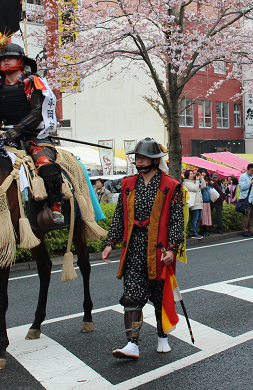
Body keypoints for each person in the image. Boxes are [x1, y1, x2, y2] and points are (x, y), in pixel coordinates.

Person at [102, 138, 184, 359]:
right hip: (134, 249)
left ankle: (162, 337)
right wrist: (111, 242)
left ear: (156, 160)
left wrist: (172, 248)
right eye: (137, 156)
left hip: (158, 250)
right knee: (132, 296)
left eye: (144, 156)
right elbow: (120, 217)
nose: (138, 160)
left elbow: (177, 220)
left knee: (159, 297)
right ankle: (132, 344)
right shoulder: (128, 184)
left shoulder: (171, 186)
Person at [0, 42, 64, 226]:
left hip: (36, 136)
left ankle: (56, 205)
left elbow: (37, 111)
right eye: (2, 59)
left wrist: (17, 129)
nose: (6, 61)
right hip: (6, 139)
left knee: (44, 163)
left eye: (9, 57)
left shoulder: (33, 83)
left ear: (20, 60)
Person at [238, 164, 253, 236]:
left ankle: (250, 229)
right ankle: (245, 230)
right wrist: (250, 183)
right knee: (246, 215)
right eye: (251, 170)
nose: (252, 172)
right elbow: (242, 188)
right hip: (246, 198)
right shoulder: (243, 177)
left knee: (252, 215)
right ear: (247, 169)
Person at [182, 170, 203, 240]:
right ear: (187, 175)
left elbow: (203, 186)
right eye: (191, 174)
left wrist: (201, 178)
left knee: (199, 219)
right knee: (195, 219)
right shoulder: (187, 183)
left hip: (199, 203)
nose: (193, 175)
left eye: (193, 174)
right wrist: (197, 181)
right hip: (194, 204)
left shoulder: (195, 182)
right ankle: (194, 233)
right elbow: (194, 188)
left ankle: (196, 232)